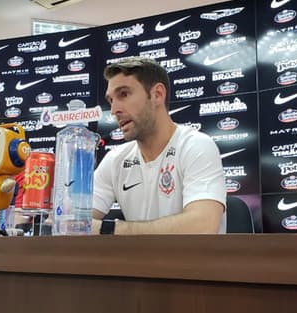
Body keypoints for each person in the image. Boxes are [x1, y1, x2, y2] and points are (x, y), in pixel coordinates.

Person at [92, 57, 226, 235]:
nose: (115, 109)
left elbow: (203, 226)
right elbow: (69, 222)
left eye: (123, 94)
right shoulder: (116, 159)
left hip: (195, 263)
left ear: (157, 95)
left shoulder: (195, 145)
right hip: (139, 263)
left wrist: (109, 229)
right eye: (111, 100)